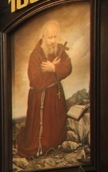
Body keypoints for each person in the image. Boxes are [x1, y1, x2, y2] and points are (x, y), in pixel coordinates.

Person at [17, 20, 73, 158]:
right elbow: (36, 81)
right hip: (39, 99)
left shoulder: (59, 50)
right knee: (39, 134)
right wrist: (51, 73)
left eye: (55, 37)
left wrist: (53, 68)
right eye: (50, 37)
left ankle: (55, 146)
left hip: (56, 96)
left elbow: (68, 67)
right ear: (43, 37)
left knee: (56, 126)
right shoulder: (35, 55)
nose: (52, 41)